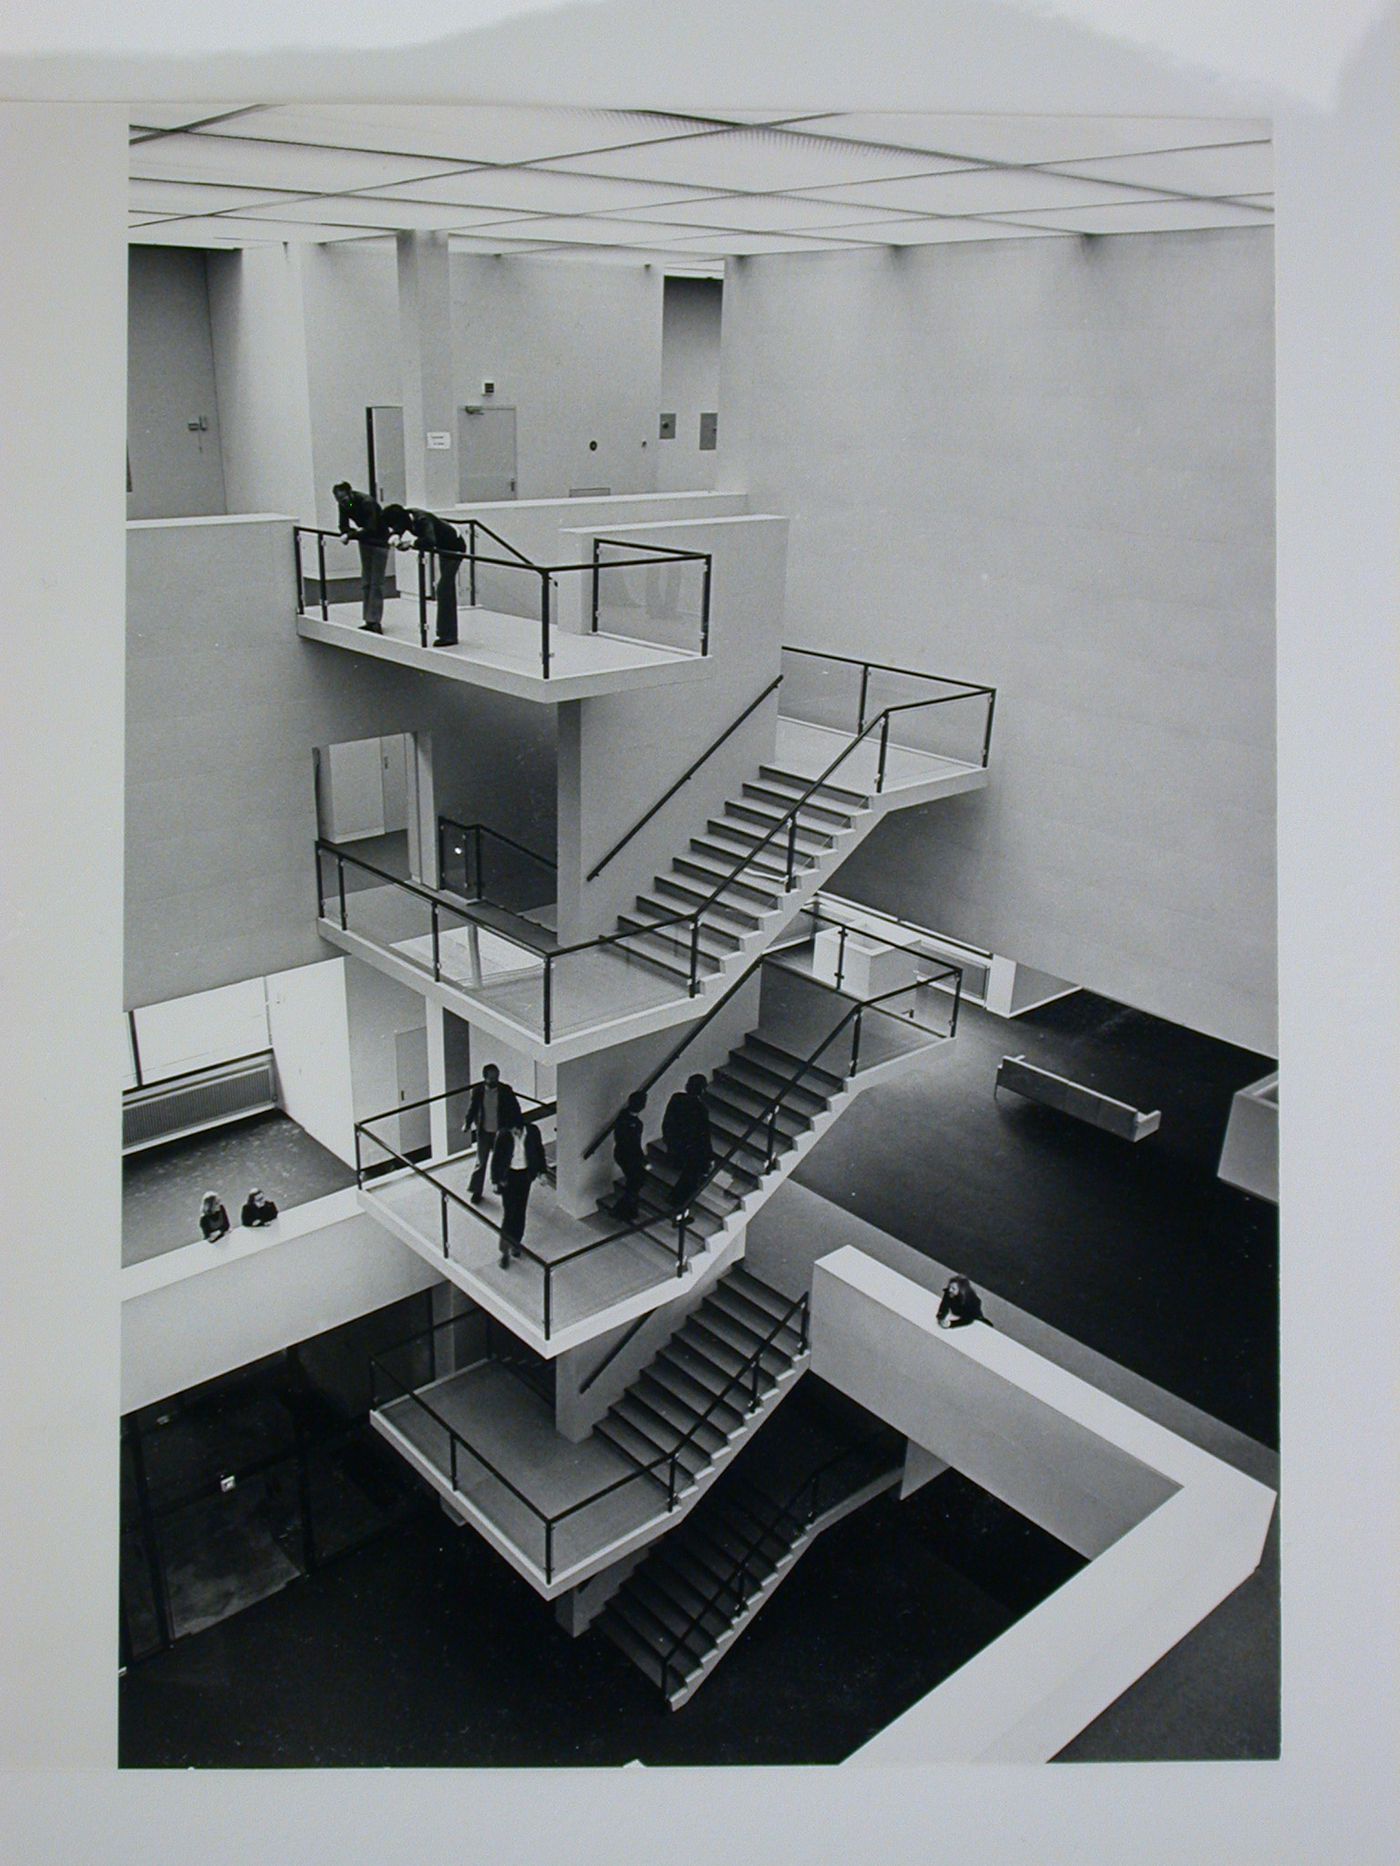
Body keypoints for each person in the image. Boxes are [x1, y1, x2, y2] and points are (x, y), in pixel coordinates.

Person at [381, 503, 466, 647]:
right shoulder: (406, 517)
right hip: (444, 547)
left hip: (454, 547)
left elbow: (429, 541)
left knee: (443, 589)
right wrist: (395, 537)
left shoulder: (422, 519)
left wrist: (411, 543)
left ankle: (448, 635)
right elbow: (399, 528)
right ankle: (448, 633)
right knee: (446, 588)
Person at [332, 481, 392, 632]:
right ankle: (368, 619)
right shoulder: (348, 505)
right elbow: (343, 524)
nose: (342, 504)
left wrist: (350, 535)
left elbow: (371, 528)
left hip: (378, 542)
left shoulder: (367, 503)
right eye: (339, 501)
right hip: (365, 541)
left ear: (350, 494)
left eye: (344, 500)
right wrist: (347, 533)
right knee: (366, 580)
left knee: (376, 582)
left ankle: (375, 620)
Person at [491, 1118, 547, 1270]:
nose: (513, 1133)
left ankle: (516, 1243)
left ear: (521, 1128)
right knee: (509, 1213)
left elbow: (539, 1151)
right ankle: (504, 1252)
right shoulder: (503, 1135)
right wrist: (495, 1181)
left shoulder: (533, 1131)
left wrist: (542, 1171)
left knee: (520, 1211)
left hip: (525, 1176)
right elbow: (496, 1159)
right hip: (508, 1177)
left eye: (515, 1131)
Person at [463, 1064, 524, 1203]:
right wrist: (467, 1123)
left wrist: (518, 1125)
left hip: (500, 1132)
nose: (494, 1080)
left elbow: (515, 1109)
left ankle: (498, 1183)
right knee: (481, 1162)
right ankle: (476, 1190)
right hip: (484, 1132)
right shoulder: (478, 1091)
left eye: (496, 1077)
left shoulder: (505, 1091)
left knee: (501, 1160)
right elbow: (472, 1108)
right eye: (491, 1078)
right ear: (485, 1078)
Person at [662, 1073, 712, 1221]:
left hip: (677, 1146)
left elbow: (668, 1122)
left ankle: (675, 1199)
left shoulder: (676, 1098)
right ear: (702, 1090)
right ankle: (680, 1209)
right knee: (691, 1180)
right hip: (692, 1151)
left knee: (688, 1176)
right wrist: (709, 1157)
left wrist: (669, 1142)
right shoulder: (701, 1109)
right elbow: (704, 1136)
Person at [612, 1089, 649, 1222]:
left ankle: (627, 1208)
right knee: (636, 1180)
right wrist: (643, 1160)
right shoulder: (636, 1124)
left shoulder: (622, 1116)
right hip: (629, 1156)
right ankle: (623, 1209)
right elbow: (634, 1145)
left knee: (634, 1181)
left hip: (620, 1153)